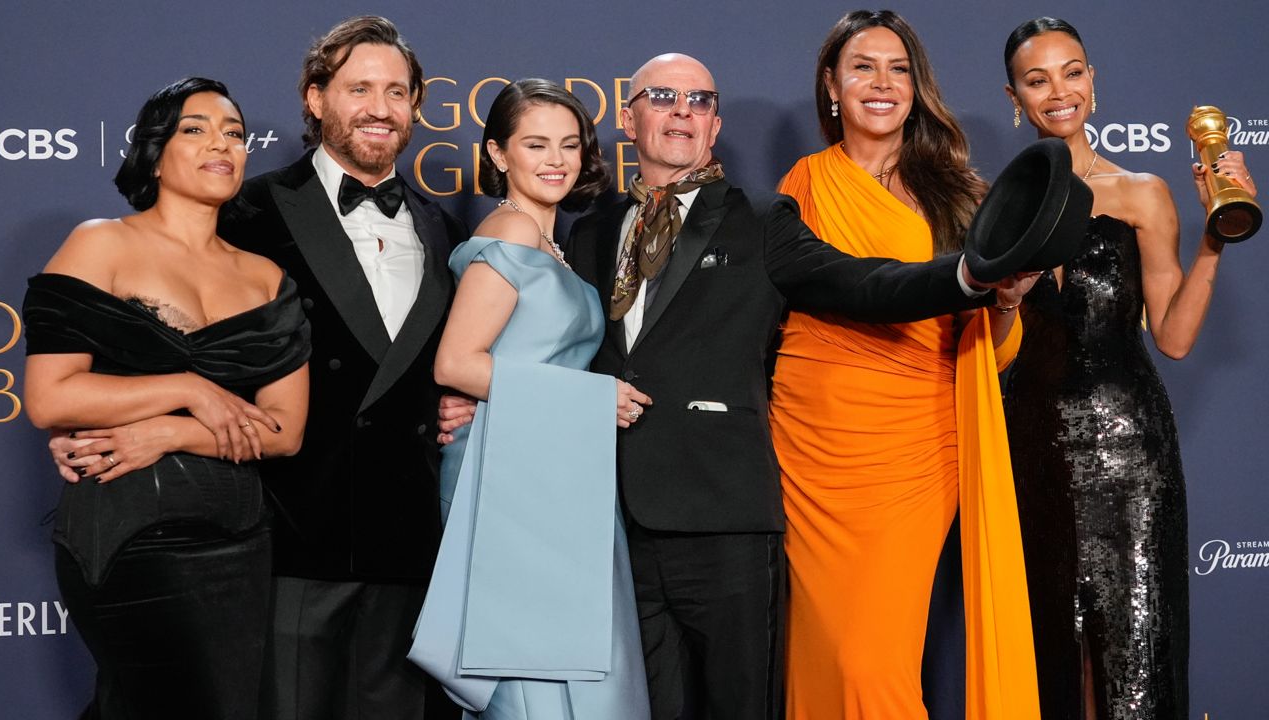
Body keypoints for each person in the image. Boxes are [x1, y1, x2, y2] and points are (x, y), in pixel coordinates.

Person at [556, 52, 1031, 720]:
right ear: (628, 117)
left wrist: (970, 279)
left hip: (726, 522)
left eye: (699, 101)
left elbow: (864, 283)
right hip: (613, 524)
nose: (681, 113)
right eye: (661, 97)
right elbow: (553, 348)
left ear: (715, 124)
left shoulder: (762, 219)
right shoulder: (590, 232)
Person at [50, 16, 466, 719]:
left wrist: (472, 406)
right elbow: (151, 328)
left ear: (417, 105)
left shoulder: (440, 226)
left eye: (398, 92)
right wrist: (97, 421)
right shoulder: (244, 206)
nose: (380, 107)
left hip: (409, 543)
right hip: (280, 540)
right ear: (315, 97)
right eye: (359, 87)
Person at [767, 11, 1038, 718]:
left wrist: (1006, 301)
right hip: (810, 442)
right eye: (863, 67)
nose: (881, 84)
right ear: (833, 84)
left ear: (917, 87)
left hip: (916, 448)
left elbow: (996, 350)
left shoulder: (960, 193)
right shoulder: (804, 182)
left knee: (869, 659)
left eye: (898, 69)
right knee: (820, 651)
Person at [23, 77, 310, 720]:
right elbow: (49, 397)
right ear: (155, 151)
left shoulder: (267, 278)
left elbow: (285, 430)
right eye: (196, 129)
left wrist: (173, 431)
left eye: (235, 133)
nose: (222, 144)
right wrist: (188, 390)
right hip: (126, 534)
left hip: (239, 537)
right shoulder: (102, 243)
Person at [1000, 17, 1255, 720]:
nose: (1059, 91)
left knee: (1134, 657)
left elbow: (1172, 338)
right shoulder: (994, 206)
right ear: (1015, 97)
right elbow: (989, 345)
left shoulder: (1142, 192)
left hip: (1130, 456)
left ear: (1093, 83)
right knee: (1051, 650)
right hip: (1031, 447)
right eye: (1037, 78)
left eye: (1073, 71)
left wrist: (1214, 241)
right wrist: (1005, 303)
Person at [408, 78, 650, 720]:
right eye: (535, 144)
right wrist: (591, 398)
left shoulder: (552, 244)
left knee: (565, 653)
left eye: (569, 145)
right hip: (511, 474)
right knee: (530, 663)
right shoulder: (511, 232)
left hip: (554, 467)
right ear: (497, 154)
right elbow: (456, 363)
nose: (555, 160)